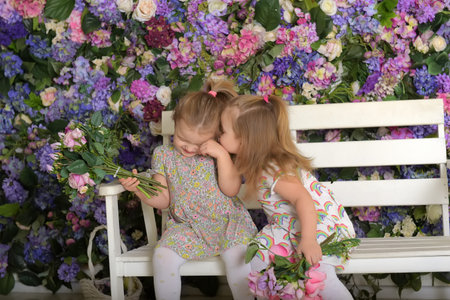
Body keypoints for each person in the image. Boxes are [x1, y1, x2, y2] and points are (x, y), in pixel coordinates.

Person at [119, 80, 257, 300]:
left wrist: (221, 155)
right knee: (163, 255)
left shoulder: (219, 154)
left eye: (199, 143)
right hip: (187, 227)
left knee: (238, 257)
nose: (189, 148)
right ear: (175, 124)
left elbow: (231, 190)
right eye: (182, 138)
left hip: (227, 224)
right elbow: (163, 199)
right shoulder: (164, 155)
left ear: (216, 137)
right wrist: (139, 190)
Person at [213, 94, 356, 299]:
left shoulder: (273, 169)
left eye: (223, 131)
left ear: (245, 139)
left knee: (318, 271)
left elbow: (303, 199)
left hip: (316, 225)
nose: (219, 134)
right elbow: (230, 185)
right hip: (287, 225)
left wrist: (308, 239)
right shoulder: (260, 162)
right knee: (256, 255)